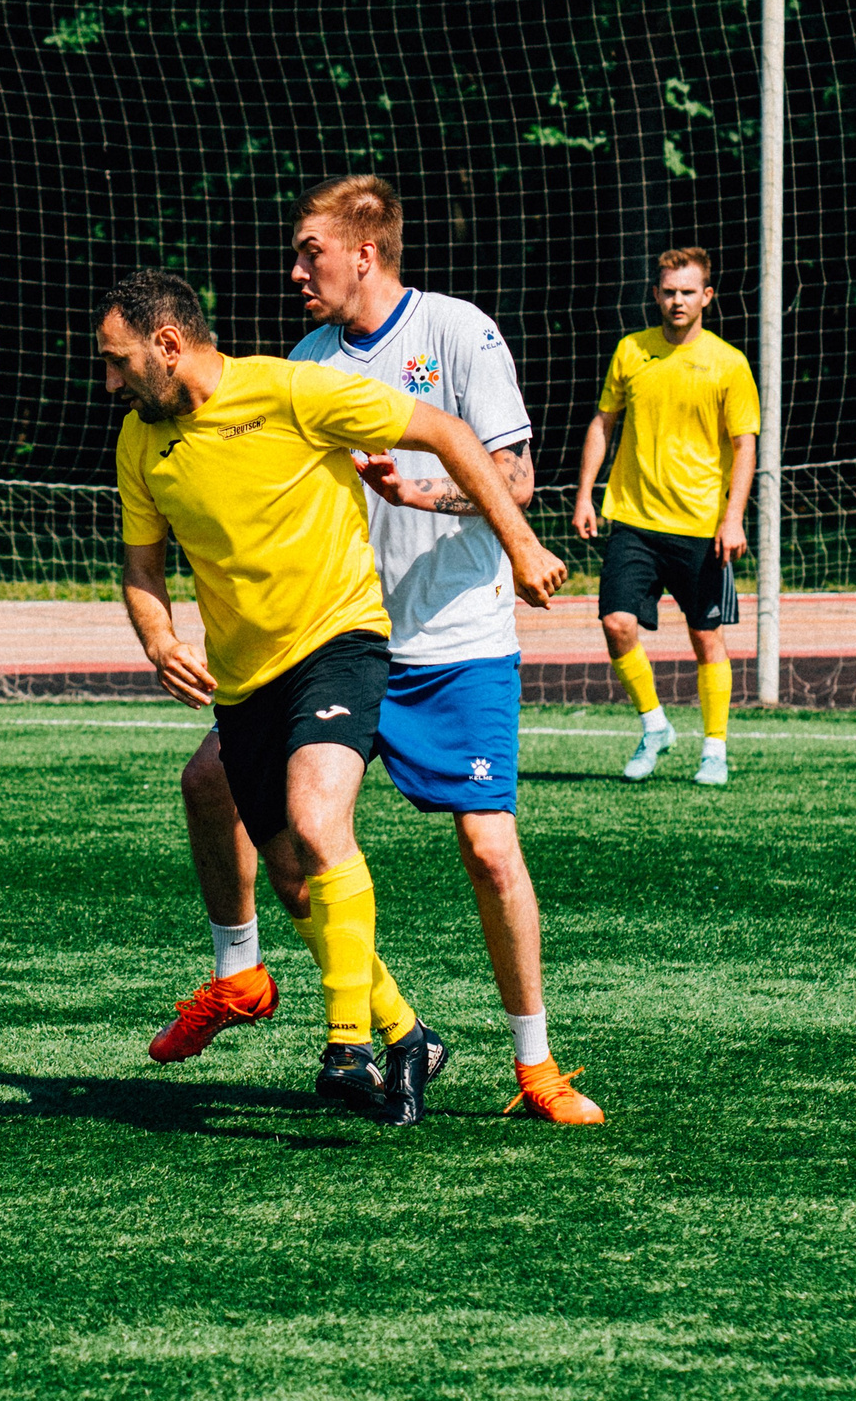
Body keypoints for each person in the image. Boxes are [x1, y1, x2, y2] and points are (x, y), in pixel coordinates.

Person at [151, 177, 601, 1124]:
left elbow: (513, 469)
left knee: (487, 849)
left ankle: (536, 1067)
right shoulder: (302, 361)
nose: (295, 268)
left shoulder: (455, 332)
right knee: (242, 812)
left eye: (310, 249)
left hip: (455, 638)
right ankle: (379, 1025)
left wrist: (426, 494)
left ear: (364, 250)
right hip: (339, 641)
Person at [571, 246, 759, 788]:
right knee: (616, 622)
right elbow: (603, 423)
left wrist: (734, 517)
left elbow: (743, 446)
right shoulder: (632, 351)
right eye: (669, 291)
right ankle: (655, 726)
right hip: (632, 519)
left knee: (706, 638)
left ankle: (715, 749)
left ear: (707, 296)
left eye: (688, 292)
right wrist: (586, 493)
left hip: (701, 527)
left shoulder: (729, 363)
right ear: (656, 294)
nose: (678, 301)